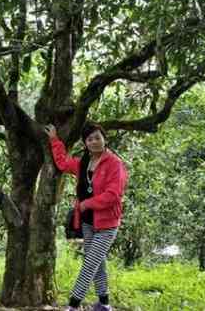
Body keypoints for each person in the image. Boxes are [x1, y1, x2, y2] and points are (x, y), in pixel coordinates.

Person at [44, 123, 128, 311]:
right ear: (86, 143)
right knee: (97, 264)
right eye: (90, 139)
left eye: (98, 137)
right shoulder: (83, 163)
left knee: (89, 264)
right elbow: (63, 163)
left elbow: (113, 195)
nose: (94, 142)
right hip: (88, 223)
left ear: (104, 139)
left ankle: (73, 306)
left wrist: (86, 204)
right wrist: (54, 140)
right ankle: (104, 304)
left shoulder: (115, 164)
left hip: (107, 224)